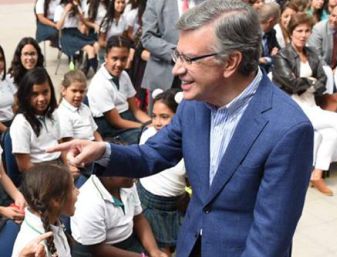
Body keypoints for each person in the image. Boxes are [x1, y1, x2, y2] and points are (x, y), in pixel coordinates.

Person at [48, 1, 314, 256]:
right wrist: (102, 152)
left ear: (231, 62)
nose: (176, 69)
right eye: (177, 55)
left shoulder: (288, 130)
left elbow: (270, 238)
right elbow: (153, 155)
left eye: (189, 59)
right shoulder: (193, 104)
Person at [272, 13, 337, 196]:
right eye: (299, 31)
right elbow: (291, 84)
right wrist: (310, 82)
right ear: (291, 32)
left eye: (307, 31)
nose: (303, 35)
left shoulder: (311, 53)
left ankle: (316, 175)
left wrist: (306, 81)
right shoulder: (282, 56)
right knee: (336, 120)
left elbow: (323, 79)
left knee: (331, 134)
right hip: (293, 109)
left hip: (312, 106)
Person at [138, 88, 187, 256]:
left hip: (176, 203)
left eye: (164, 117)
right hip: (151, 203)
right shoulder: (148, 134)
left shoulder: (188, 144)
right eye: (154, 116)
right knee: (162, 250)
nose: (157, 122)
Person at [70, 173, 166, 257]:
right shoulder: (89, 202)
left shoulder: (127, 185)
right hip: (97, 250)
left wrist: (154, 250)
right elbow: (98, 249)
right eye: (128, 169)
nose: (135, 174)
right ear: (108, 174)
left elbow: (138, 219)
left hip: (125, 243)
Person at [10, 68, 77, 179]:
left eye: (45, 92)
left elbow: (60, 146)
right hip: (38, 175)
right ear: (26, 95)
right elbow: (24, 166)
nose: (41, 98)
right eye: (35, 94)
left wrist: (68, 168)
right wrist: (58, 175)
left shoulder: (53, 114)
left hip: (58, 167)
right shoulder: (21, 123)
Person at [140, 0, 205, 112]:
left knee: (193, 120)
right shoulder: (156, 2)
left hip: (198, 76)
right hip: (163, 74)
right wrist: (178, 54)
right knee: (160, 124)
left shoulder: (208, 3)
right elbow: (147, 37)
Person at [87, 35, 151, 144]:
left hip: (128, 120)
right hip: (112, 128)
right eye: (114, 58)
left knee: (158, 133)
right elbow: (115, 121)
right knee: (149, 140)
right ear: (106, 57)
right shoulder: (100, 83)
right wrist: (144, 127)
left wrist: (152, 123)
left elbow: (136, 110)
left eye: (123, 59)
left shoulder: (124, 75)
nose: (119, 64)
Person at [11, 163, 79, 257]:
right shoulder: (36, 248)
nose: (78, 192)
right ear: (56, 200)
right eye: (73, 188)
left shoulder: (52, 220)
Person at [54, 0, 98, 75]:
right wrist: (65, 12)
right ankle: (96, 73)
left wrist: (77, 10)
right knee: (90, 49)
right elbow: (58, 27)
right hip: (66, 34)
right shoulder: (59, 8)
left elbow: (83, 22)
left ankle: (88, 68)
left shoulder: (77, 6)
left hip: (77, 32)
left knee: (96, 45)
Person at [258, 2, 281, 72]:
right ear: (271, 21)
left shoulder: (272, 32)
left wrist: (276, 53)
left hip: (270, 71)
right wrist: (258, 60)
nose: (277, 22)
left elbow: (278, 49)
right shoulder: (249, 33)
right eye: (277, 19)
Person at [0, 45, 17, 134]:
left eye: (1, 59)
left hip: (12, 123)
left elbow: (16, 105)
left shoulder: (8, 79)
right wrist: (8, 132)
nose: (0, 63)